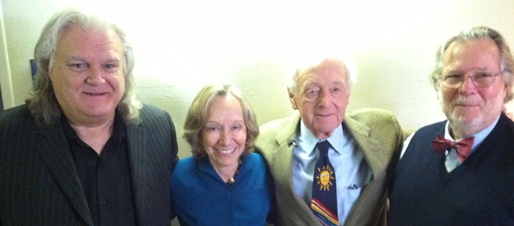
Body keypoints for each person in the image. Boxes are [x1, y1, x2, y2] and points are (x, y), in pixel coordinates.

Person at [0, 9, 178, 226]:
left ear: (125, 71)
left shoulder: (158, 129)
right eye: (79, 65)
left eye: (110, 65)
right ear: (49, 69)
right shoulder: (7, 138)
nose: (96, 78)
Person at [255, 57, 407, 226]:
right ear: (292, 97)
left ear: (347, 93)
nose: (325, 102)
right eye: (312, 91)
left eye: (335, 89)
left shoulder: (385, 132)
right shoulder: (264, 143)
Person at [388, 26, 514, 225]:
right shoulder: (413, 143)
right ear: (438, 84)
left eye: (483, 75)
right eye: (454, 76)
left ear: (506, 85)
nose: (467, 88)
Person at [170, 82, 274, 225]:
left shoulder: (262, 167)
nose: (226, 141)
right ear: (199, 132)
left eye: (236, 127)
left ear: (247, 129)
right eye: (214, 128)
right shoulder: (180, 176)